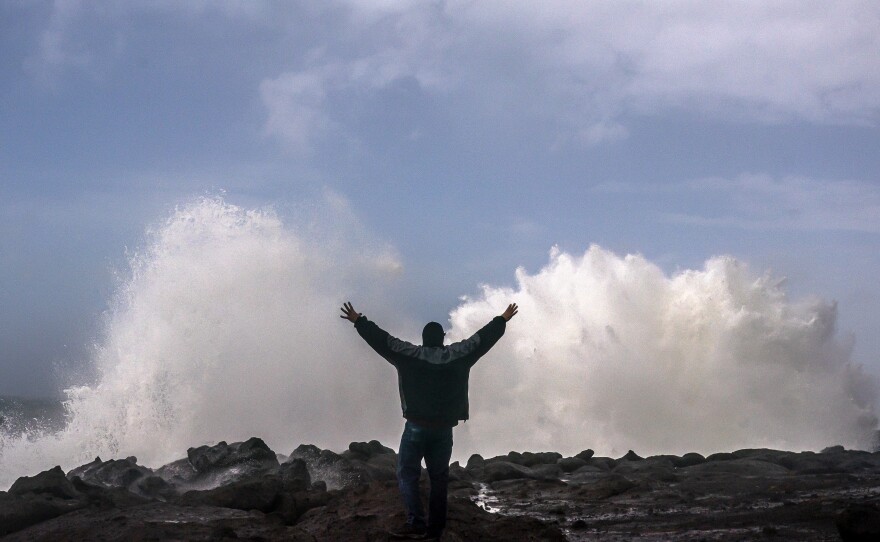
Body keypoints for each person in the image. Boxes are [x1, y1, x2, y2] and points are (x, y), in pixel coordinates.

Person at [340, 301, 518, 540]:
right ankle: (435, 530)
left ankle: (416, 522)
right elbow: (480, 339)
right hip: (444, 430)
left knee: (407, 474)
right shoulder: (458, 356)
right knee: (439, 479)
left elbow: (382, 340)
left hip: (415, 427)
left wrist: (358, 320)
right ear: (442, 338)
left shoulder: (408, 355)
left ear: (424, 339)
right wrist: (502, 319)